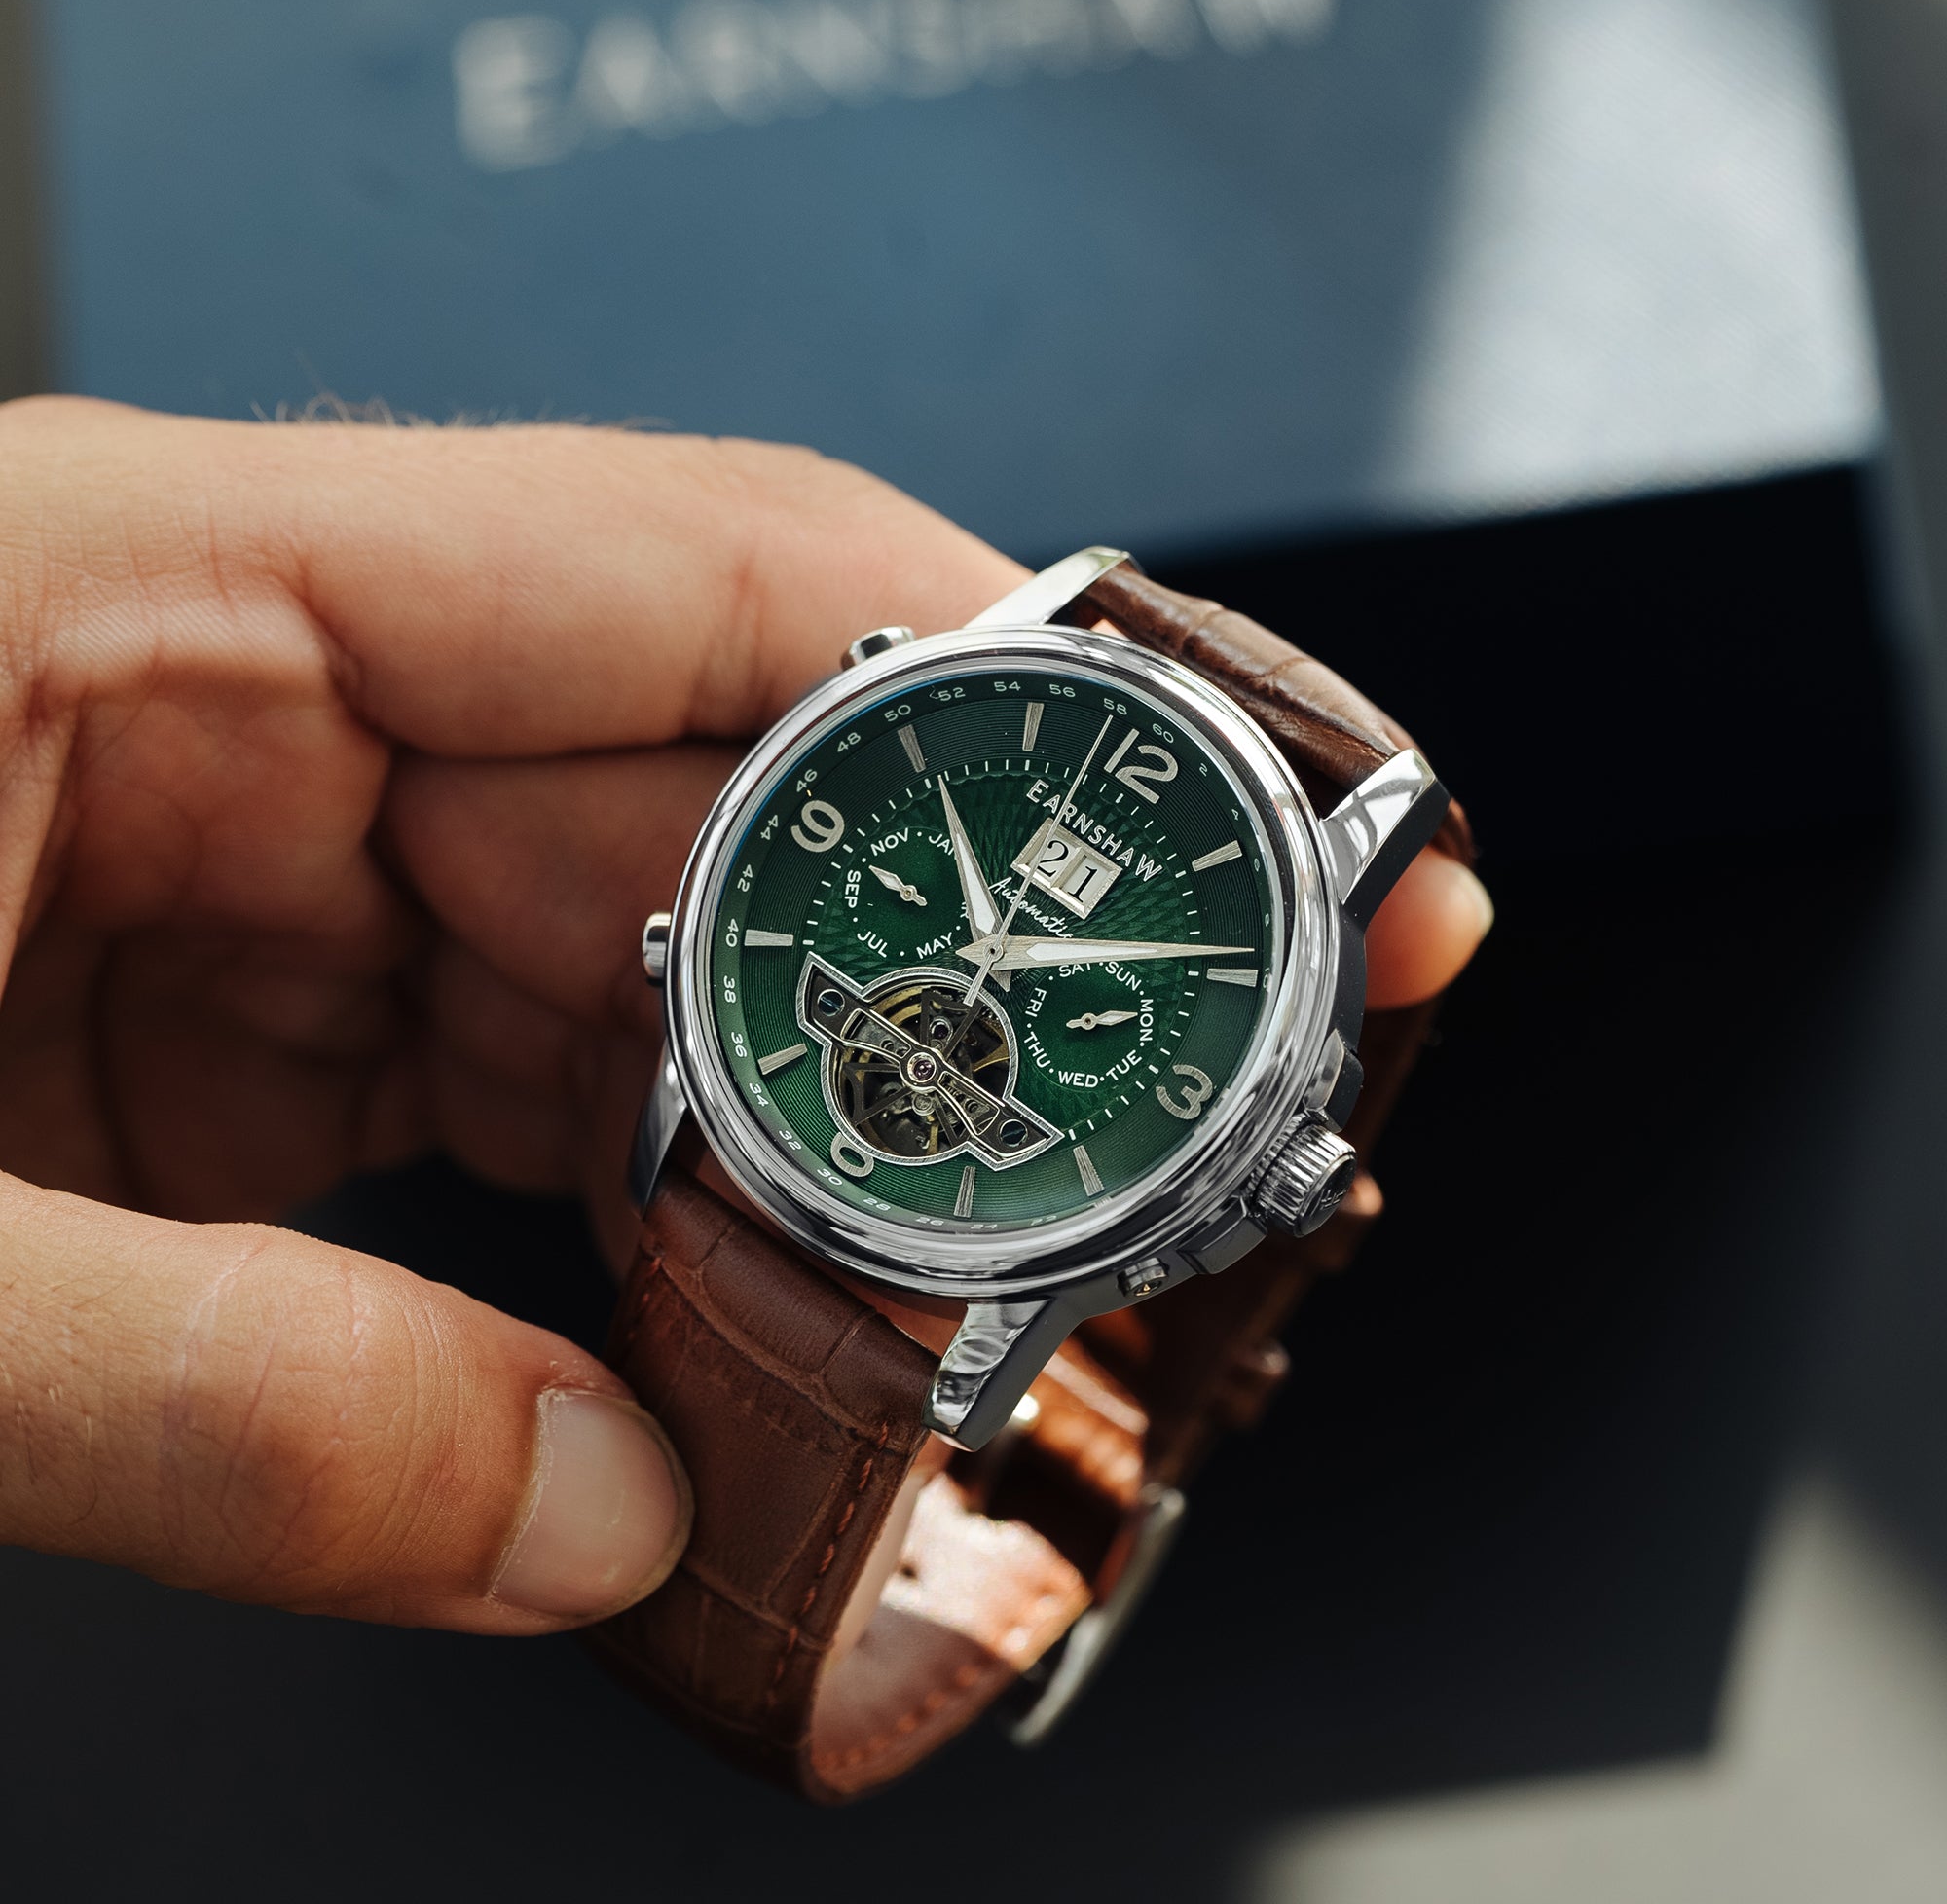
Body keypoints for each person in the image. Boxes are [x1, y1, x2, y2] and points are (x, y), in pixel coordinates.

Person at [0, 395, 1493, 1635]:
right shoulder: (712, 1002)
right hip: (780, 1112)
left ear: (1276, 1160)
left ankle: (1042, 1491)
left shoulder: (1247, 1049)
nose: (988, 950)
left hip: (927, 1179)